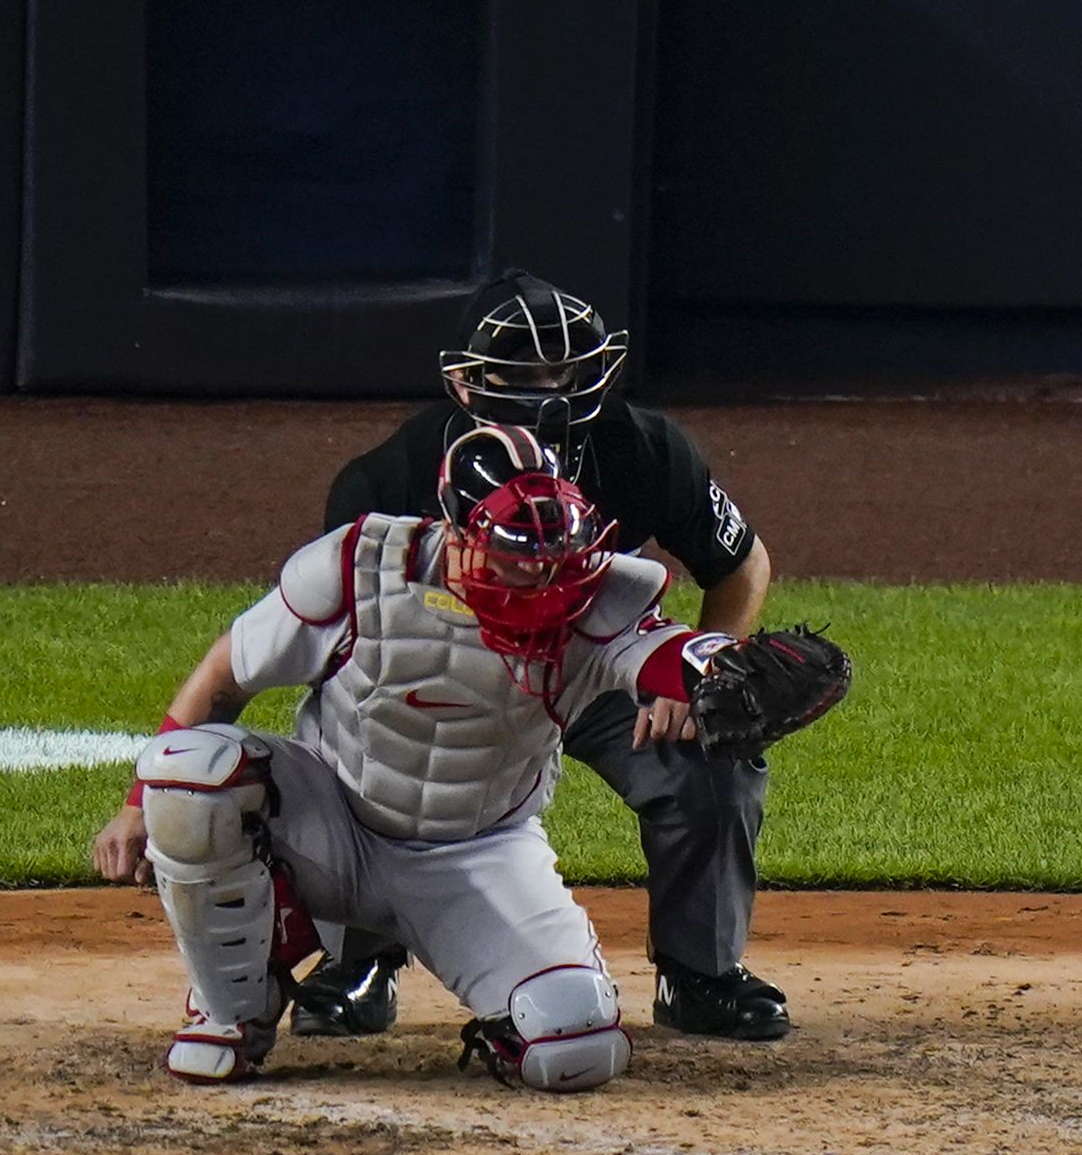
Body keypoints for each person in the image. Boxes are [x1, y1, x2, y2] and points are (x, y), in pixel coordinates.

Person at [89, 426, 772, 1088]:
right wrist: (132, 810)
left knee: (576, 1043)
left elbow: (663, 653)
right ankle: (235, 1004)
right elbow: (224, 674)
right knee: (186, 772)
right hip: (332, 825)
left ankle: (496, 1006)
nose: (538, 575)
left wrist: (717, 670)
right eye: (515, 552)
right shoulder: (355, 569)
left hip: (475, 857)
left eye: (551, 553)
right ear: (457, 533)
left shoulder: (587, 598)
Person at [296, 271, 788, 1042]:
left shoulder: (641, 446)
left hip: (592, 664)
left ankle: (701, 974)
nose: (548, 392)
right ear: (466, 381)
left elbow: (741, 564)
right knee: (372, 757)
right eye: (522, 376)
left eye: (561, 372)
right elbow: (345, 638)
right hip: (451, 669)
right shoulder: (389, 477)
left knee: (713, 743)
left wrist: (697, 667)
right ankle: (359, 960)